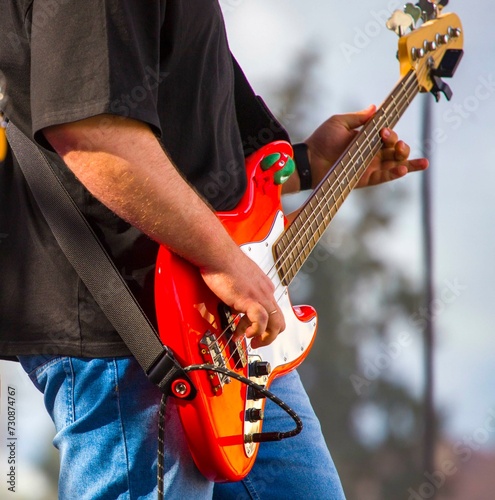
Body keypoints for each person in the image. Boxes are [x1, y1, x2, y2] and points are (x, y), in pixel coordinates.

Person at [0, 1, 428, 499]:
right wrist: (222, 259)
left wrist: (309, 164)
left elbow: (212, 160)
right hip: (126, 333)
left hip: (220, 337)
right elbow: (94, 132)